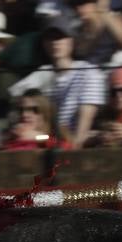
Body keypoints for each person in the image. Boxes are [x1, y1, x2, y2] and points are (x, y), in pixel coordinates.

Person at [8, 18, 107, 147]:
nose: (55, 42)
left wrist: (38, 136)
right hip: (49, 142)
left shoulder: (88, 73)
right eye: (50, 38)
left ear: (71, 41)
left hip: (70, 146)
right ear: (44, 43)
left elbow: (77, 140)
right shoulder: (42, 74)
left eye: (60, 37)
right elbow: (14, 98)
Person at [0, 88, 67, 151]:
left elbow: (65, 148)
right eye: (21, 110)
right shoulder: (13, 137)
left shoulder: (55, 135)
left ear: (45, 112)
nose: (24, 114)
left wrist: (39, 137)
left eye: (34, 109)